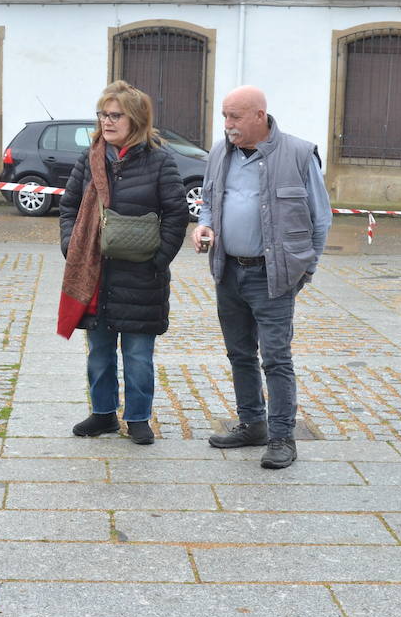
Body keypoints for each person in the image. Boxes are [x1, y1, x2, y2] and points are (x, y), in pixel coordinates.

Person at [193, 85, 331, 469]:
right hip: (228, 270)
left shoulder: (299, 154)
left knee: (276, 358)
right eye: (224, 115)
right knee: (239, 354)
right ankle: (252, 423)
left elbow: (321, 219)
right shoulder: (220, 152)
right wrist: (203, 226)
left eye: (234, 116)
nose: (227, 124)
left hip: (273, 275)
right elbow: (208, 202)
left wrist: (306, 268)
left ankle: (283, 437)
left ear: (259, 115)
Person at [57, 80, 187, 444]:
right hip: (95, 274)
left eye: (116, 115)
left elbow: (177, 214)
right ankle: (102, 415)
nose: (107, 121)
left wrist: (158, 261)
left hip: (141, 276)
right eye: (103, 114)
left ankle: (139, 418)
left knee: (138, 355)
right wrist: (72, 246)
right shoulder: (91, 158)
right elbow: (68, 207)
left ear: (136, 120)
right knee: (99, 353)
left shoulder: (160, 161)